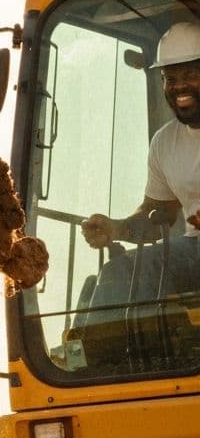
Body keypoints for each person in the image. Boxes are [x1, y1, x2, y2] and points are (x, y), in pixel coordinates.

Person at [80, 19, 200, 316]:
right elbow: (158, 215)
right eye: (170, 78)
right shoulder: (164, 143)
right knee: (120, 272)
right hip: (193, 252)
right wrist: (117, 228)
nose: (179, 86)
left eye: (190, 74)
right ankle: (105, 360)